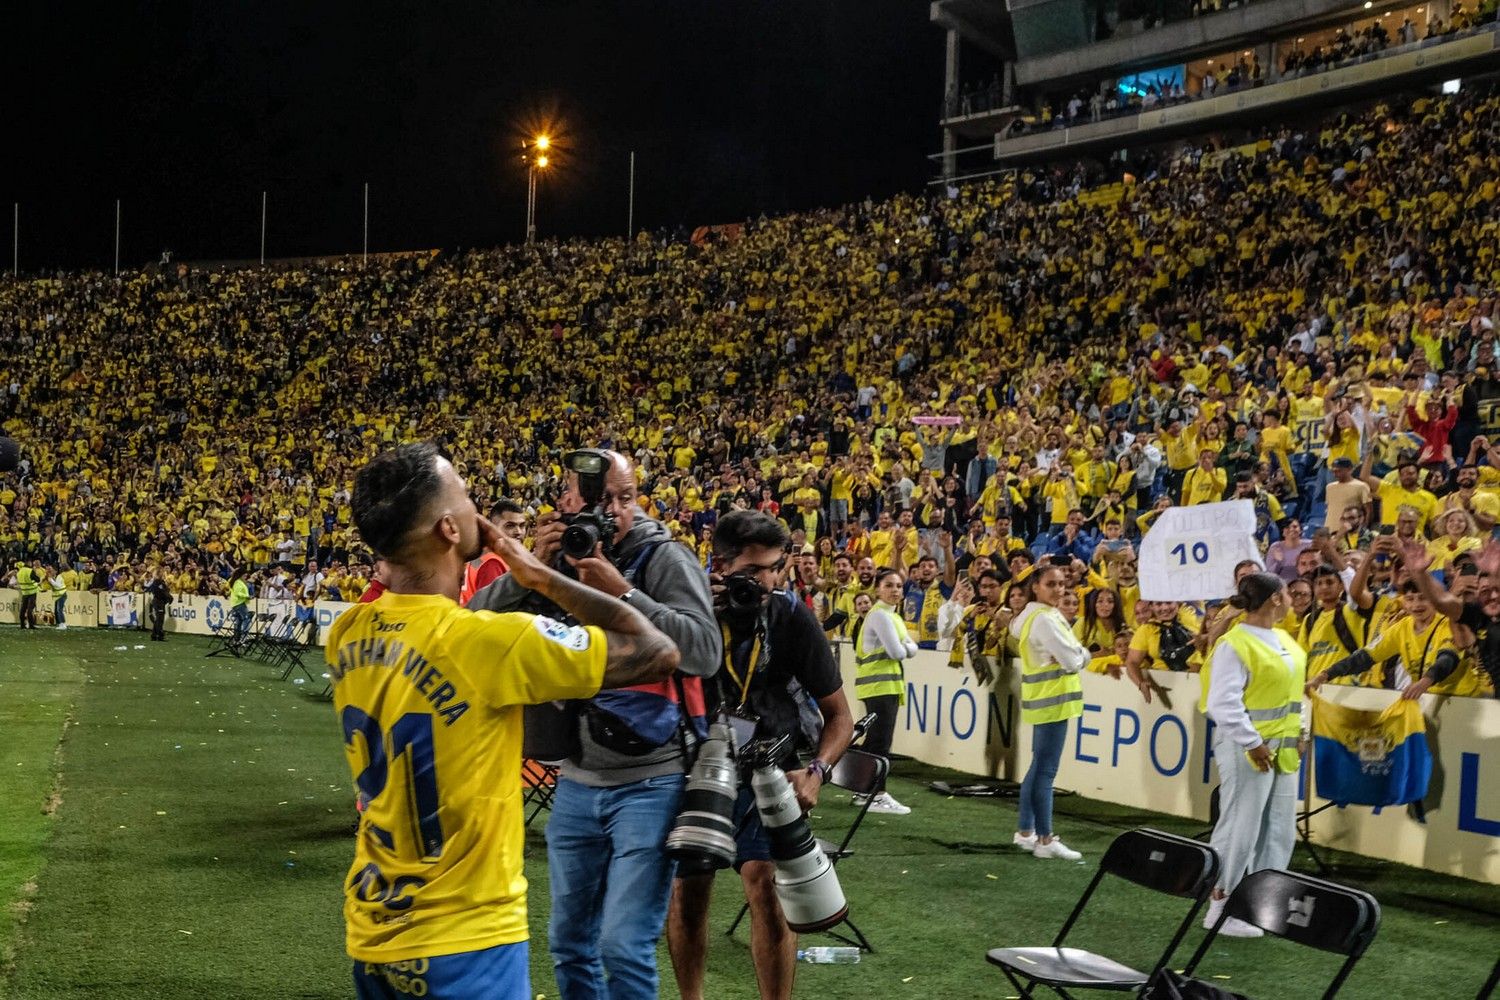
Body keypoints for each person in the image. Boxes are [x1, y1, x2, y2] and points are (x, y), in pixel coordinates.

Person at [327, 441, 681, 1000]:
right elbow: (656, 649)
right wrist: (539, 575)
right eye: (467, 498)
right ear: (448, 529)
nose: (479, 513)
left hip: (375, 928)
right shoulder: (490, 643)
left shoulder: (347, 633)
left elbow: (433, 637)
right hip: (466, 938)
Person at [468, 449, 720, 1000]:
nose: (615, 512)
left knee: (623, 947)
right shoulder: (554, 557)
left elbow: (704, 651)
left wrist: (622, 591)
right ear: (566, 502)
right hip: (576, 781)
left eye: (625, 498)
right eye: (600, 499)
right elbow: (470, 622)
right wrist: (529, 566)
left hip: (652, 782)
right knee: (569, 944)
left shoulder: (664, 557)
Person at [667, 510, 854, 1000]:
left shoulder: (790, 615)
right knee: (689, 894)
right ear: (721, 565)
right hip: (699, 769)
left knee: (766, 890)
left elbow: (840, 717)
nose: (768, 581)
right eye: (753, 572)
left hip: (771, 772)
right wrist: (696, 613)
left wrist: (816, 771)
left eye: (776, 567)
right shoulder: (691, 611)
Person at [1202, 572, 1306, 937]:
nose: (1293, 599)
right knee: (1241, 826)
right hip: (1248, 748)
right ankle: (1220, 903)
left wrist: (1302, 730)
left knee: (1279, 829)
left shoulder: (1284, 639)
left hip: (1284, 748)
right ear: (1276, 598)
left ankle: (1260, 904)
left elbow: (1295, 692)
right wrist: (1251, 741)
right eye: (1288, 594)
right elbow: (1222, 703)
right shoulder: (1235, 643)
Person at [1010, 562, 1091, 860]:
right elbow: (1074, 660)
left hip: (1042, 699)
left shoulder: (1034, 615)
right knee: (1045, 771)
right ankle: (1045, 839)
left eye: (1061, 584)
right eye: (1051, 584)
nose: (1058, 589)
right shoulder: (1045, 619)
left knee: (1037, 767)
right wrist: (1081, 654)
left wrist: (1075, 654)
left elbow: (1072, 656)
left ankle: (1026, 831)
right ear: (1036, 586)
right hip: (1054, 700)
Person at [854, 568, 918, 815]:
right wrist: (906, 647)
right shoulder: (880, 615)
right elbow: (899, 652)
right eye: (889, 585)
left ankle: (864, 791)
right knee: (880, 743)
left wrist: (907, 647)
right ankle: (876, 794)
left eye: (899, 586)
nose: (895, 590)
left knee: (875, 741)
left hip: (883, 686)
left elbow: (910, 648)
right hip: (880, 687)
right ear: (878, 589)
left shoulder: (893, 617)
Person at [459, 498, 521, 603]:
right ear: (493, 527)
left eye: (522, 526)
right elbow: (492, 611)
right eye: (510, 526)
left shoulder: (477, 554)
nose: (519, 532)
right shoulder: (493, 563)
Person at [227, 566, 252, 647]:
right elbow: (238, 593)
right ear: (240, 575)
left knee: (239, 622)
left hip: (235, 604)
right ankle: (243, 638)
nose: (245, 577)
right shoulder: (238, 582)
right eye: (244, 575)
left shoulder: (235, 581)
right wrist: (246, 596)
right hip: (240, 603)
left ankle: (236, 639)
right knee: (247, 619)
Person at [145, 570, 172, 641]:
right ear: (157, 574)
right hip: (158, 601)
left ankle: (154, 635)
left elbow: (166, 590)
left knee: (158, 619)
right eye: (161, 573)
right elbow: (163, 591)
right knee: (160, 619)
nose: (162, 574)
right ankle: (160, 636)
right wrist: (169, 597)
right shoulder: (157, 582)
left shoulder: (160, 582)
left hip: (159, 601)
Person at [15, 558, 39, 629]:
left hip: (24, 592)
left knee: (23, 609)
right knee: (30, 609)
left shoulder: (19, 572)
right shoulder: (30, 571)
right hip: (32, 592)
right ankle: (31, 625)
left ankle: (22, 624)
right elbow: (37, 579)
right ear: (29, 563)